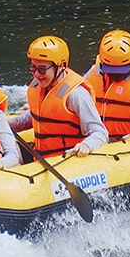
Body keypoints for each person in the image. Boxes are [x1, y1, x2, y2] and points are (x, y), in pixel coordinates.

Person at [6, 35, 108, 163]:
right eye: (33, 67)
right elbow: (34, 119)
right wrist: (1, 126)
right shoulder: (37, 86)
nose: (36, 74)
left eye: (42, 69)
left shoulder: (76, 94)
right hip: (41, 154)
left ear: (61, 66)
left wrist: (86, 145)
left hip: (65, 160)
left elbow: (100, 133)